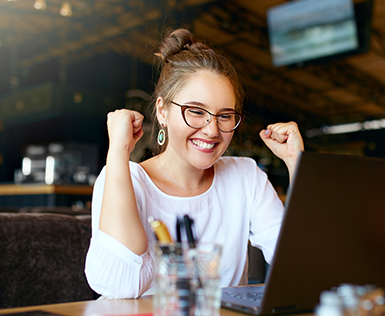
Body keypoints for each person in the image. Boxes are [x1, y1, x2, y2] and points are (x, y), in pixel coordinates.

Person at [84, 29, 304, 299]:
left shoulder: (245, 176)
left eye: (225, 116)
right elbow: (122, 286)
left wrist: (296, 162)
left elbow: (300, 264)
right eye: (196, 112)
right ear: (162, 111)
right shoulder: (124, 178)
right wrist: (118, 150)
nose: (212, 130)